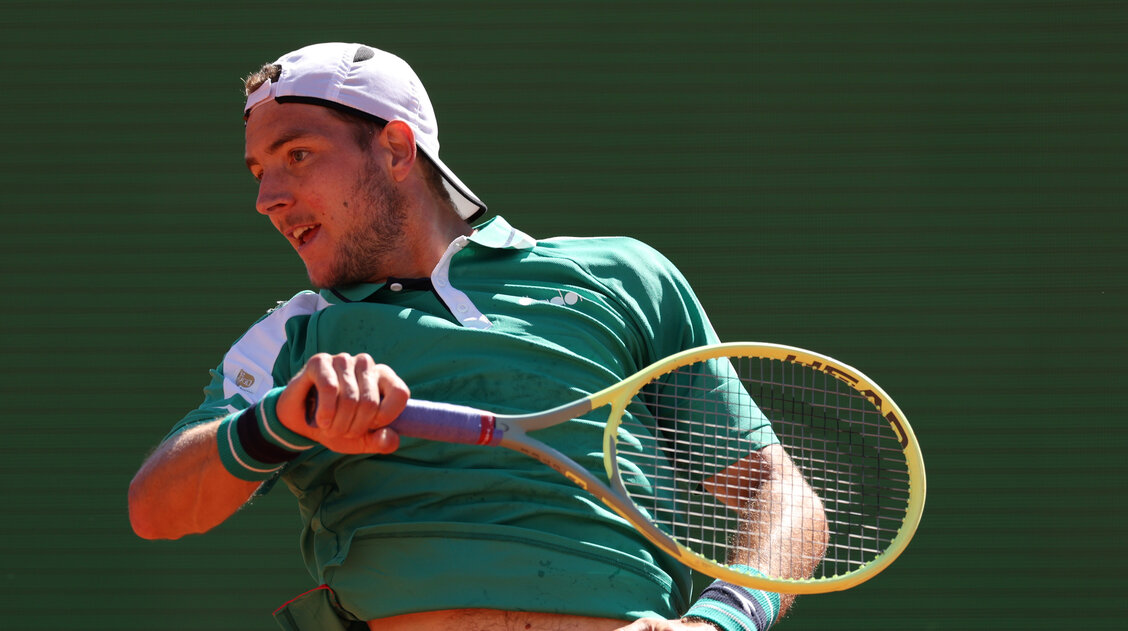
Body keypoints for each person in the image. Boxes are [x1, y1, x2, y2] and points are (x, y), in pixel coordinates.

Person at [128, 42, 826, 631]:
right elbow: (156, 507)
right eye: (259, 171)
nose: (267, 198)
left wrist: (723, 620)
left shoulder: (623, 277)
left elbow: (779, 492)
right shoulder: (290, 336)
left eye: (298, 154)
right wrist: (281, 419)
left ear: (396, 148)